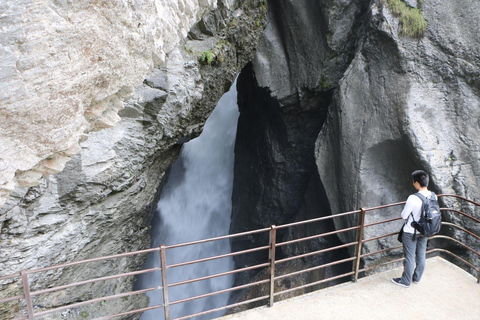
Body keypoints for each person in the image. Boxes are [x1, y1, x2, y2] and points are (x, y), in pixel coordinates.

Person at [391, 170, 436, 288]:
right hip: (425, 230)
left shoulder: (413, 198)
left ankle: (406, 281)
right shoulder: (433, 195)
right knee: (421, 254)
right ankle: (417, 278)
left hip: (411, 231)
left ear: (416, 183)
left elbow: (404, 215)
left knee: (410, 257)